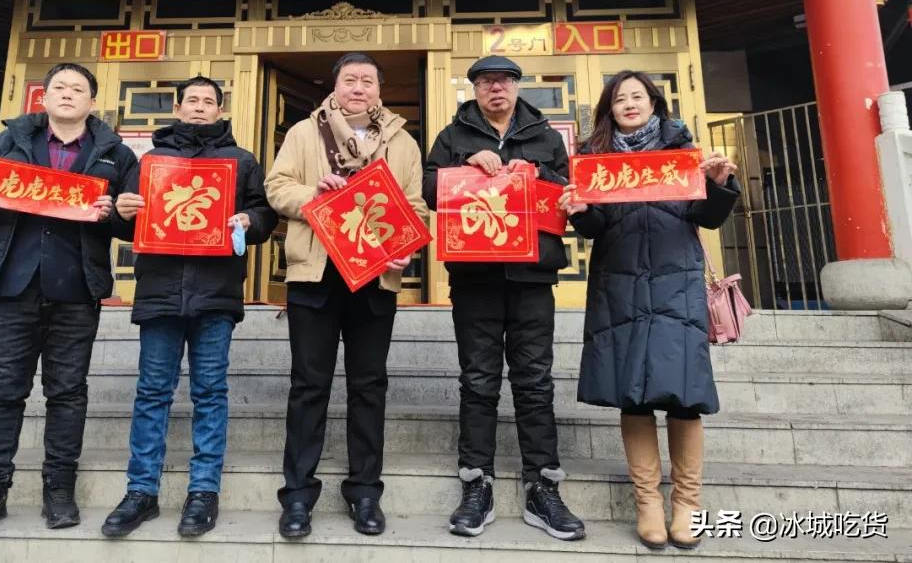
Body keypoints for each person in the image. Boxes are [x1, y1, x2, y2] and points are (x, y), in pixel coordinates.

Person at [0, 63, 137, 537]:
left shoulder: (115, 153)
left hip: (76, 287)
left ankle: (59, 490)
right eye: (59, 87)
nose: (68, 94)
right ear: (44, 97)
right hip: (13, 282)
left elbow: (134, 221)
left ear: (92, 101)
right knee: (4, 392)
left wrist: (114, 212)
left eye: (78, 89)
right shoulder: (8, 141)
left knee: (68, 393)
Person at [558, 70, 739, 551]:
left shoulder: (684, 153)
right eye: (620, 99)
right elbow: (595, 227)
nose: (629, 104)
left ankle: (688, 505)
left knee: (685, 396)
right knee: (632, 395)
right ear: (609, 109)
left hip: (675, 285)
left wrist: (718, 184)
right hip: (619, 288)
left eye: (637, 96)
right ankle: (648, 505)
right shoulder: (596, 159)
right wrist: (579, 210)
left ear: (655, 103)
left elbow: (708, 217)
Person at [101, 75, 277, 538]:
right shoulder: (151, 161)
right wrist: (123, 210)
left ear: (220, 110)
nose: (199, 108)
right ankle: (141, 491)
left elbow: (264, 215)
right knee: (152, 392)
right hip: (159, 291)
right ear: (178, 108)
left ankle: (203, 491)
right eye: (192, 101)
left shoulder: (240, 161)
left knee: (210, 392)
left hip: (216, 292)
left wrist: (248, 219)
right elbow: (124, 225)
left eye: (208, 102)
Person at [264, 52, 427, 538]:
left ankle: (364, 491)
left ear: (379, 89)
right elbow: (276, 187)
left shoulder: (401, 141)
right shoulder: (302, 133)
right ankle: (297, 496)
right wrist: (313, 195)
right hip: (316, 273)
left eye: (368, 81)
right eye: (350, 79)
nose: (359, 87)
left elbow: (415, 207)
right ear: (334, 87)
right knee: (308, 386)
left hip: (376, 277)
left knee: (368, 386)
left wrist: (405, 249)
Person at [422, 55, 584, 541]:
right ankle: (476, 483)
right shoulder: (454, 136)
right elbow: (430, 189)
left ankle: (543, 486)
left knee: (535, 378)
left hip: (533, 275)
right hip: (475, 276)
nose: (496, 88)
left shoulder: (546, 137)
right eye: (487, 82)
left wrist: (532, 173)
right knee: (478, 379)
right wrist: (467, 165)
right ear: (474, 89)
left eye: (505, 81)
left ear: (517, 86)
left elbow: (567, 193)